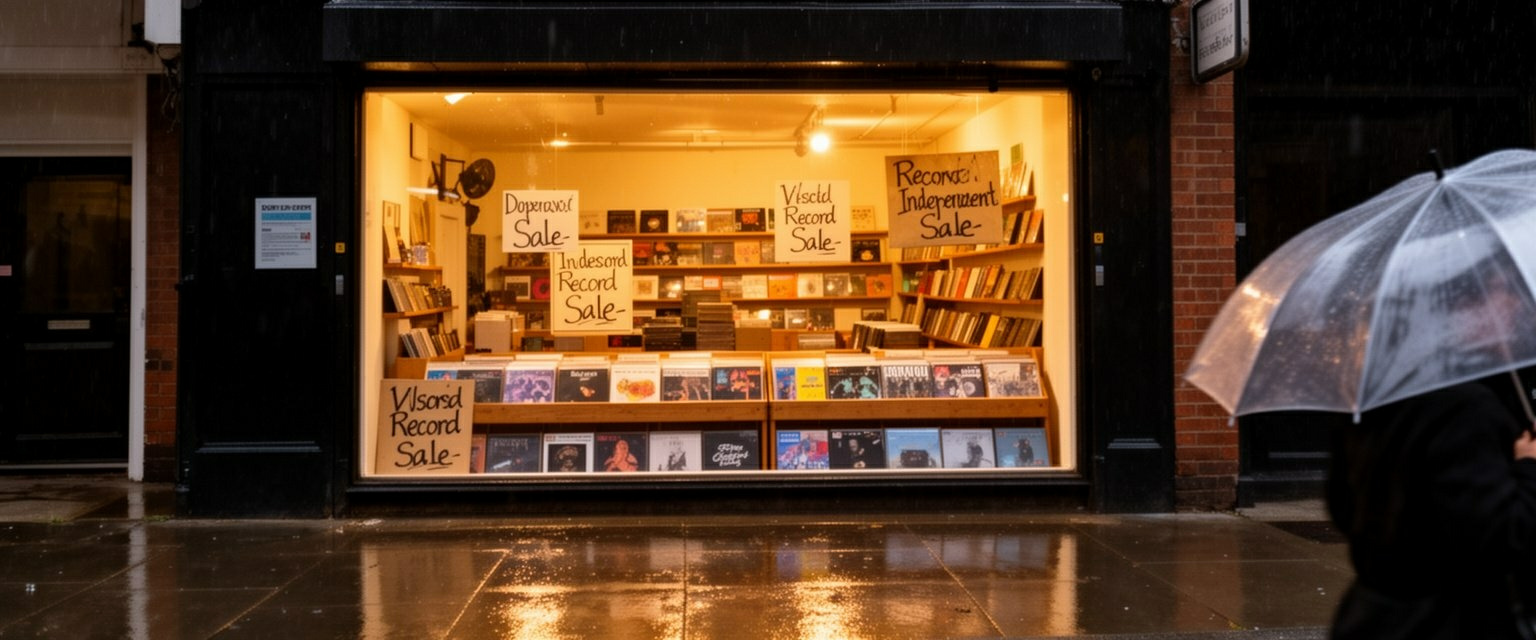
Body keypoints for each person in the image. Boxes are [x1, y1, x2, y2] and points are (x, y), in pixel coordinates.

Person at [1327, 370, 1536, 639]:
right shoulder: (1467, 407)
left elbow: (1342, 506)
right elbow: (1503, 536)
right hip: (1448, 621)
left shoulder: (1369, 396)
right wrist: (1530, 466)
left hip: (1372, 616)